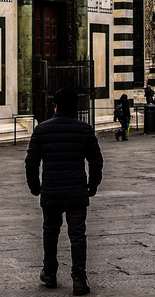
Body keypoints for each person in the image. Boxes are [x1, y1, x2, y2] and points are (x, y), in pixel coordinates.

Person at [25, 87, 103, 296]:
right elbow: (96, 161)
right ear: (76, 107)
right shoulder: (84, 129)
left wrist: (35, 187)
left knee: (50, 232)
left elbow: (31, 162)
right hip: (77, 191)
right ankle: (79, 278)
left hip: (51, 191)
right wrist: (93, 185)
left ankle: (49, 272)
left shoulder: (42, 129)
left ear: (55, 105)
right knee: (77, 235)